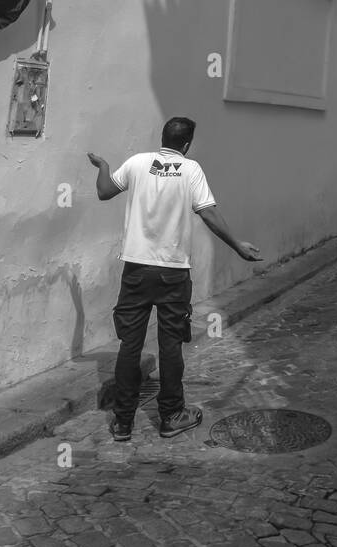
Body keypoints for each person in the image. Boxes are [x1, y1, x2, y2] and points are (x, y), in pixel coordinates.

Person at [88, 117, 261, 443]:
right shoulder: (191, 169)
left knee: (130, 345)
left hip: (136, 270)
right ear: (186, 144)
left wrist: (103, 165)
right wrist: (237, 245)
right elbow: (208, 213)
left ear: (163, 138)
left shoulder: (138, 163)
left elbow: (104, 191)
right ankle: (171, 416)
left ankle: (123, 422)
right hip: (172, 273)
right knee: (170, 346)